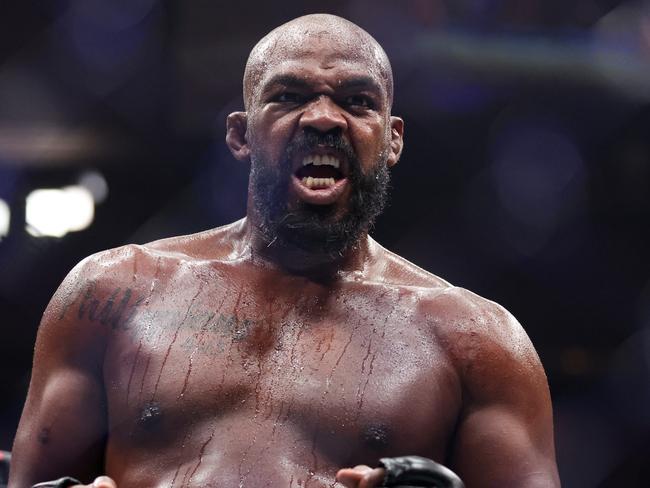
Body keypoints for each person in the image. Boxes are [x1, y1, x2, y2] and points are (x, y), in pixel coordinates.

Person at [8, 13, 560, 488]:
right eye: (290, 96)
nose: (323, 117)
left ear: (391, 139)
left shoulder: (475, 340)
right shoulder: (114, 293)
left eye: (357, 101)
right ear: (241, 134)